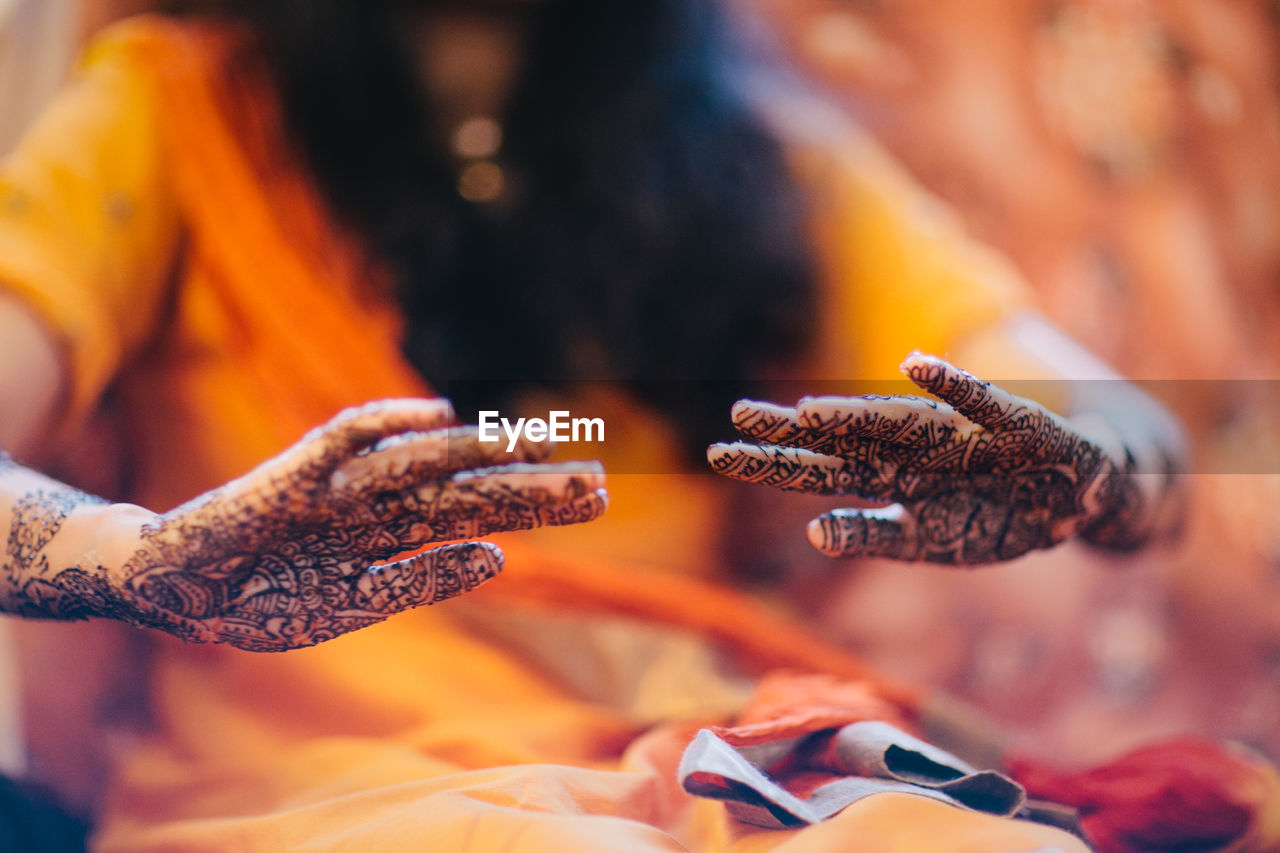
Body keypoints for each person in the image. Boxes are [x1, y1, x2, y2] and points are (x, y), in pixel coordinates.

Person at [0, 0, 1186, 849]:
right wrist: (143, 560)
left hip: (718, 762)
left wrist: (1085, 473)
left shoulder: (770, 162)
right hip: (321, 794)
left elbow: (1138, 437)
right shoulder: (173, 119)